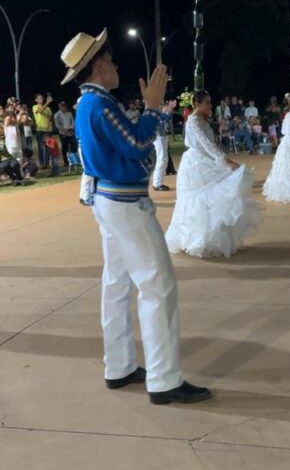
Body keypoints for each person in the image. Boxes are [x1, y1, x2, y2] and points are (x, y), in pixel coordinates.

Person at [62, 27, 210, 406]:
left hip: (110, 201)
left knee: (117, 282)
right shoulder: (99, 104)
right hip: (124, 204)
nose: (115, 66)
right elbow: (138, 144)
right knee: (157, 284)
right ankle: (163, 380)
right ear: (97, 67)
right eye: (109, 60)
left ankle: (120, 366)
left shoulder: (89, 104)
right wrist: (153, 108)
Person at [165, 89, 262, 259]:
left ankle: (209, 238)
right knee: (198, 200)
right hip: (196, 164)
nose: (210, 106)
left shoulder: (203, 121)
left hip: (206, 161)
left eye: (210, 102)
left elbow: (210, 144)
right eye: (207, 103)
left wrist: (221, 159)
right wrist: (225, 161)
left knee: (211, 200)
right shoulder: (193, 121)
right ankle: (194, 239)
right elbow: (205, 144)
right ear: (196, 104)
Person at [152, 99, 176, 192]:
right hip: (159, 138)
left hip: (161, 137)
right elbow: (166, 118)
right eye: (160, 104)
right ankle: (157, 183)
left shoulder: (157, 113)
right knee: (161, 160)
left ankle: (158, 182)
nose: (161, 106)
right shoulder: (154, 113)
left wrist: (171, 108)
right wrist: (170, 107)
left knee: (163, 160)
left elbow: (167, 117)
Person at [32, 93, 53, 169]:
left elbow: (50, 118)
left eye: (42, 98)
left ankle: (47, 163)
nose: (41, 99)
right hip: (40, 130)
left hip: (47, 130)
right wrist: (47, 102)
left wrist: (50, 127)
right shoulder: (35, 107)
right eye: (39, 98)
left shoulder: (48, 108)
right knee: (41, 147)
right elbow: (40, 110)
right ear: (36, 100)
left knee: (48, 147)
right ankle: (42, 164)